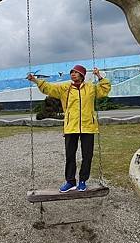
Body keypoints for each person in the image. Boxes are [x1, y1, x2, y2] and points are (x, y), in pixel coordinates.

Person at [27, 64, 111, 192]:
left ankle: (82, 181)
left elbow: (105, 89)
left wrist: (99, 76)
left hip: (88, 127)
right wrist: (36, 80)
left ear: (82, 75)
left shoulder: (91, 88)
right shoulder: (64, 88)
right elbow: (49, 88)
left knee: (87, 156)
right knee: (70, 156)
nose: (73, 74)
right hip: (71, 127)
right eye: (71, 72)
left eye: (76, 72)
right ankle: (70, 181)